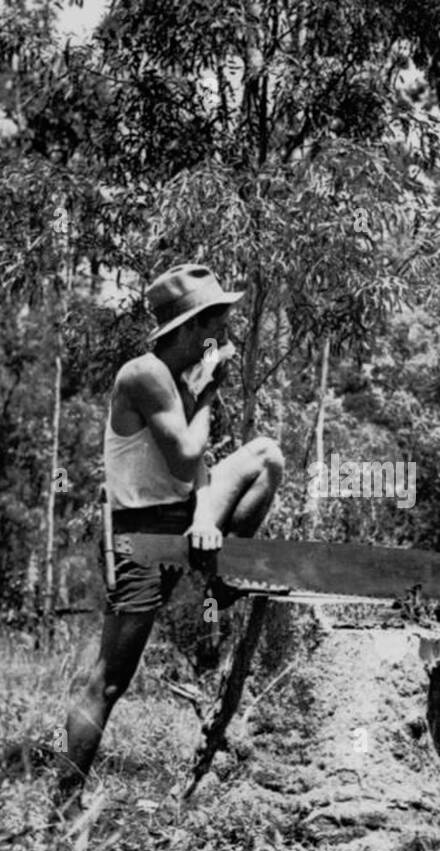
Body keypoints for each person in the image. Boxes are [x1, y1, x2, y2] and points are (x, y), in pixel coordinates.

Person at [55, 264, 283, 817]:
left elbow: (197, 473)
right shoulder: (147, 374)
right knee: (110, 681)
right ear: (191, 326)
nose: (223, 336)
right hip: (137, 535)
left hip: (180, 519)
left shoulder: (182, 382)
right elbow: (183, 454)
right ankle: (63, 804)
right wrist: (207, 396)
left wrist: (205, 519)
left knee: (265, 457)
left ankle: (222, 574)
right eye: (217, 324)